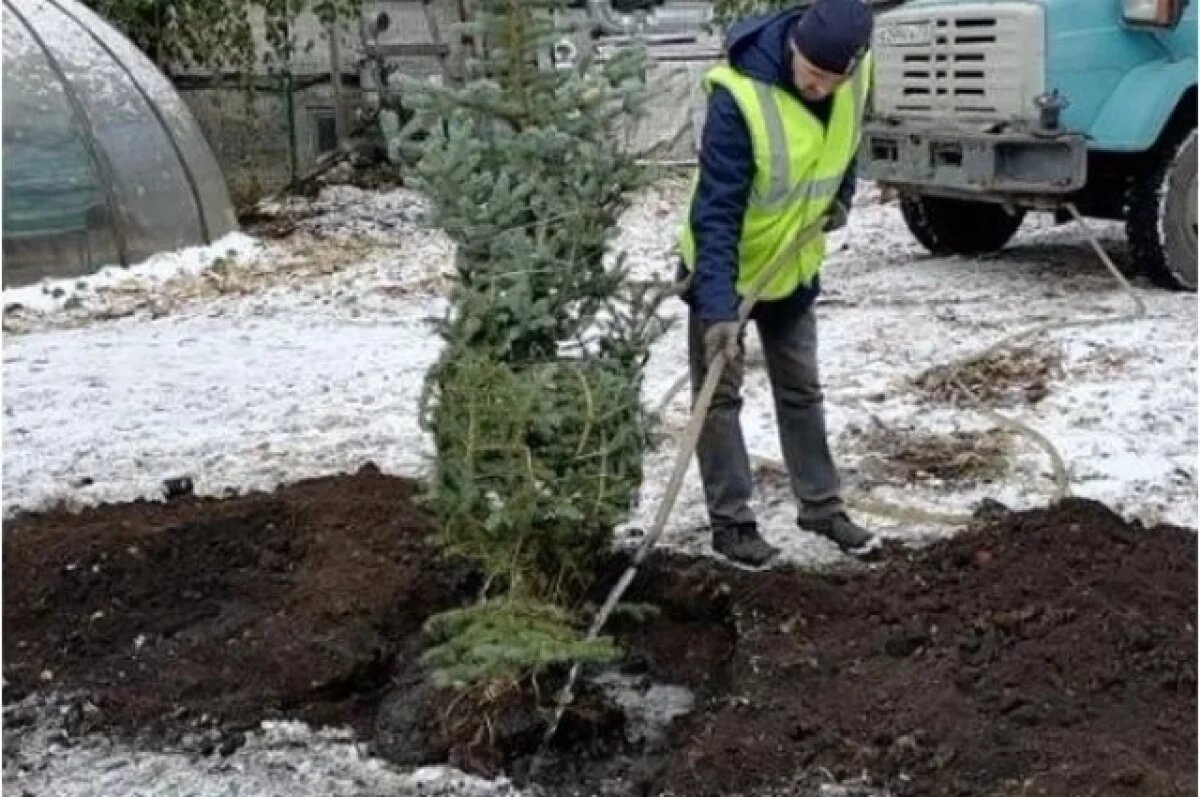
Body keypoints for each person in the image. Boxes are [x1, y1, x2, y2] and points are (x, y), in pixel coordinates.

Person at [677, 0, 876, 566]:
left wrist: (842, 195)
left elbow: (849, 136)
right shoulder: (738, 99)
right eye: (810, 73)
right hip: (727, 273)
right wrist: (717, 312)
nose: (819, 87)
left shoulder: (854, 76)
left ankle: (821, 506)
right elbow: (715, 215)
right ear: (793, 46)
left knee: (801, 390)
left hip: (792, 267)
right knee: (719, 396)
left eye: (830, 79)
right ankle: (732, 523)